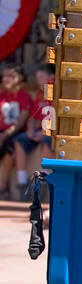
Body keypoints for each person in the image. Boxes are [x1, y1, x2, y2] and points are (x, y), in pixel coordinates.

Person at [0, 64, 34, 198]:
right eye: (4, 76)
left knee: (9, 150)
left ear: (19, 78)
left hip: (15, 132)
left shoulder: (24, 97)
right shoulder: (2, 96)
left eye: (10, 76)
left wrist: (4, 135)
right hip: (2, 131)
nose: (6, 79)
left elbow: (20, 122)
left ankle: (3, 188)